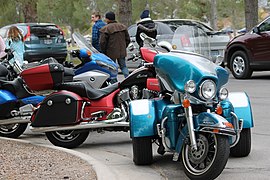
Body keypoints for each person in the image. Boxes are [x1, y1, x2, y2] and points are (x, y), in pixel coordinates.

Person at [99, 11, 130, 82]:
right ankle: (128, 79)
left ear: (107, 19)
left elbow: (102, 42)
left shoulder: (105, 29)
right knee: (123, 66)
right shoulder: (123, 27)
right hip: (121, 51)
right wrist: (123, 47)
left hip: (110, 52)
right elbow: (127, 39)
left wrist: (103, 52)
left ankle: (114, 82)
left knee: (112, 68)